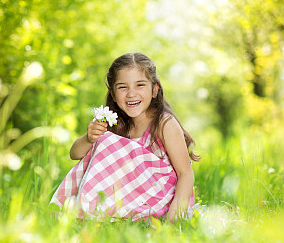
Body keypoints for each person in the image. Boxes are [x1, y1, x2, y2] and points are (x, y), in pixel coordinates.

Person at [50, 53, 200, 222]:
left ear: (154, 90)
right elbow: (75, 154)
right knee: (104, 140)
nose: (131, 94)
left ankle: (84, 212)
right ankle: (83, 212)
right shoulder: (119, 126)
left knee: (106, 140)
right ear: (113, 94)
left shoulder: (164, 124)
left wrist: (172, 221)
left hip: (163, 202)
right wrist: (89, 138)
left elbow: (185, 174)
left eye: (140, 85)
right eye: (122, 87)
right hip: (133, 201)